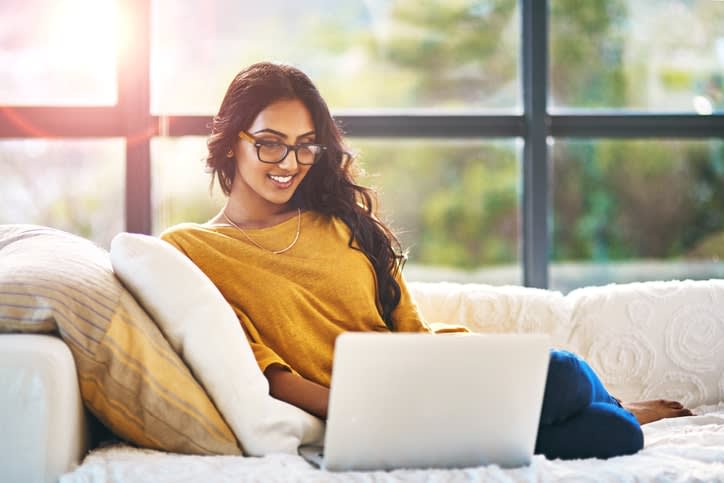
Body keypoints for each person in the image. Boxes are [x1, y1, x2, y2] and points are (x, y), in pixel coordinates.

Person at [160, 61, 692, 460]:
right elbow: (268, 373)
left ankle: (618, 407)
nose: (291, 164)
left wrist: (430, 394)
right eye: (271, 144)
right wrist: (369, 413)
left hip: (433, 377)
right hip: (366, 413)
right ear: (231, 143)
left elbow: (406, 324)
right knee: (598, 415)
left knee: (586, 396)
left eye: (306, 147)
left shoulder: (338, 219)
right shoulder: (191, 250)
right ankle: (614, 410)